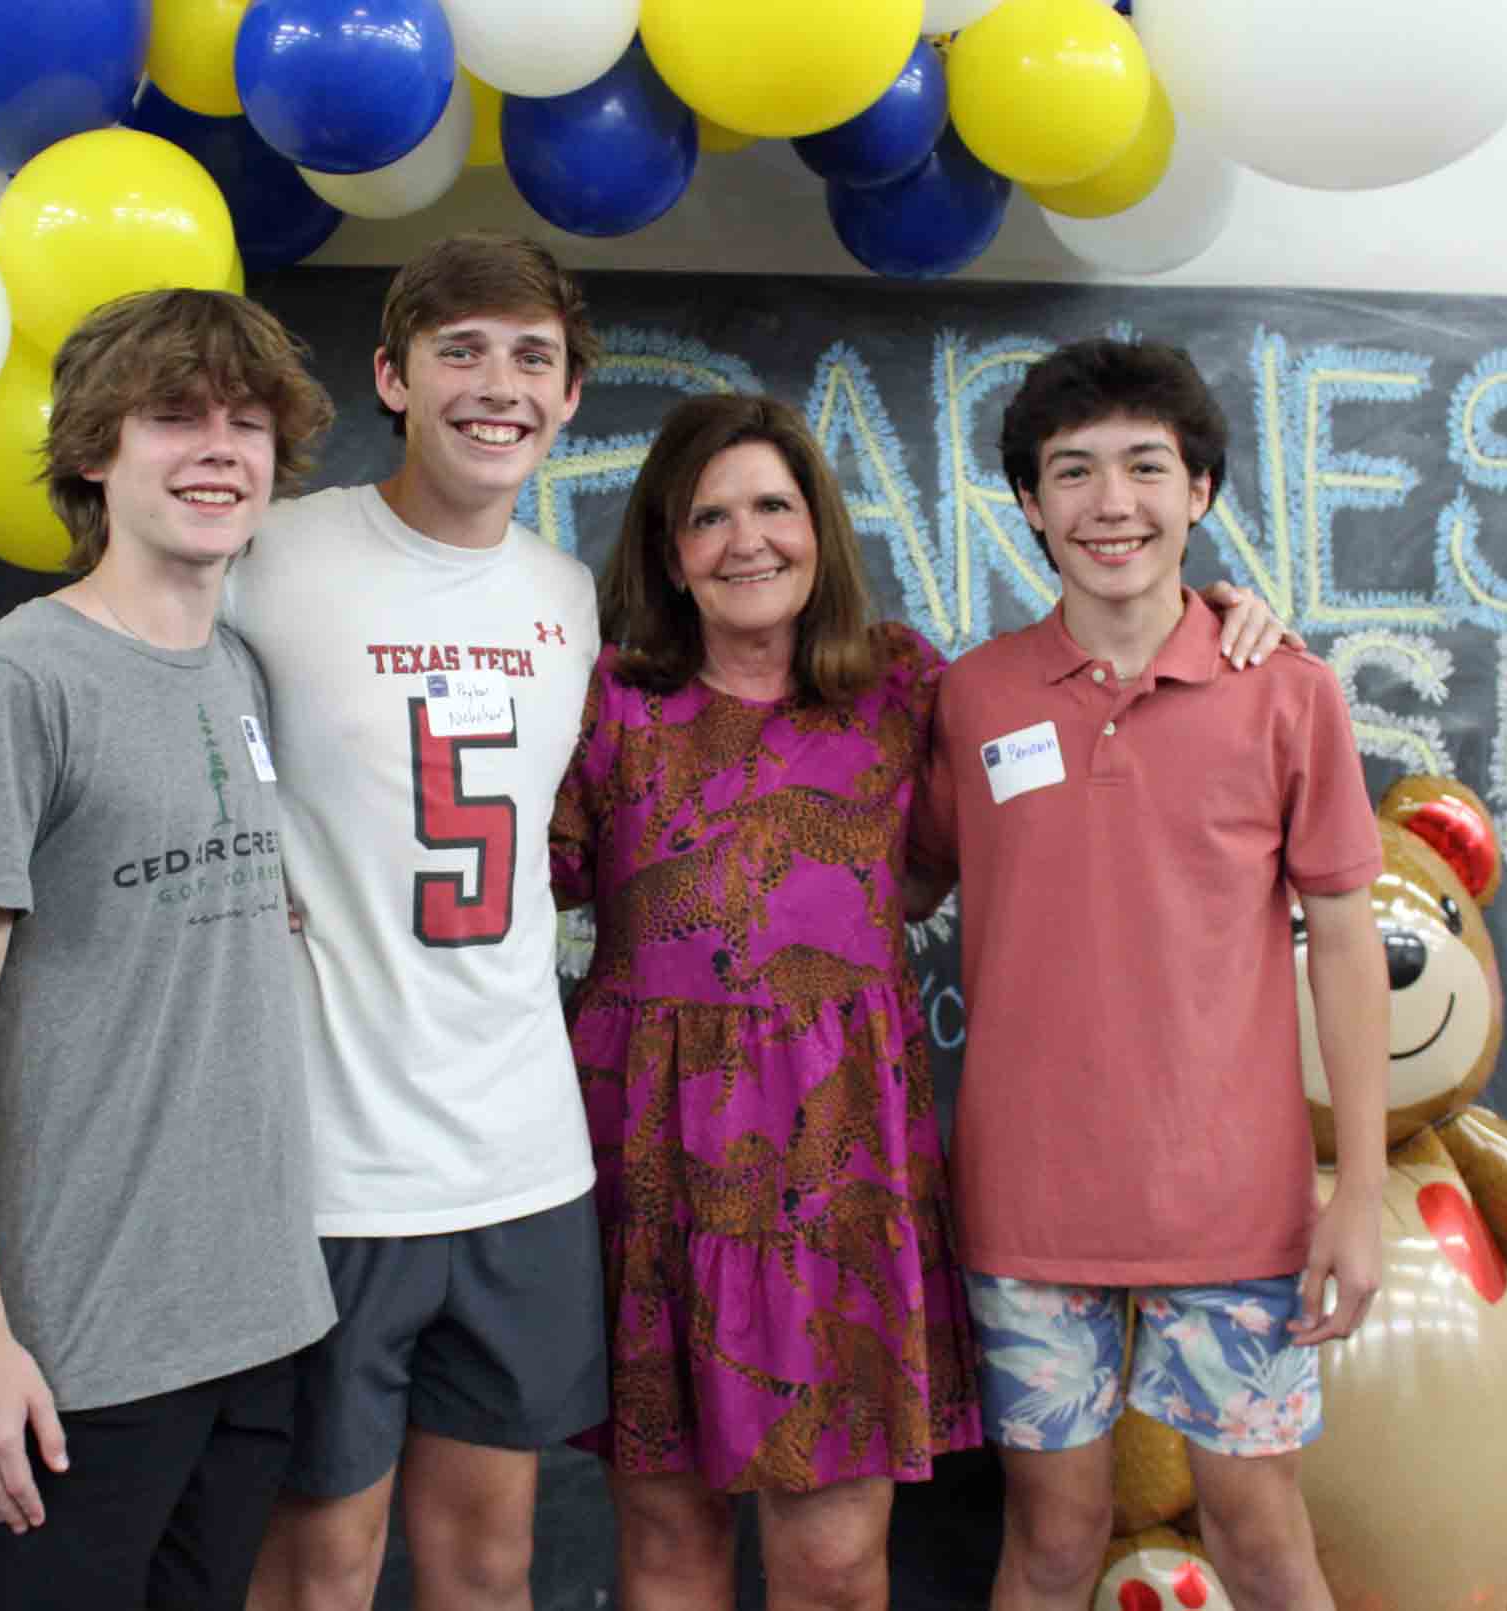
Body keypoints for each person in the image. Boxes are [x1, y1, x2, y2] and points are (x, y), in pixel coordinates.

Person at [0, 234, 611, 1611]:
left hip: (501, 1162)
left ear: (571, 393)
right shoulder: (270, 553)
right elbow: (98, 656)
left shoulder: (564, 596)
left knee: (488, 1562)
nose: (498, 385)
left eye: (532, 356)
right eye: (460, 350)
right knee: (314, 1569)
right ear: (392, 376)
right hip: (318, 1179)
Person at [548, 392, 1295, 1611]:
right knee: (669, 1545)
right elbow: (502, 875)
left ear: (819, 529)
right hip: (654, 1167)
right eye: (708, 517)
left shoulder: (902, 688)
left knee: (836, 1565)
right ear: (668, 553)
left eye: (774, 506)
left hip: (842, 1174)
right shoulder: (608, 703)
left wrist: (1215, 610)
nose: (746, 541)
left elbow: (1073, 696)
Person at [909, 338, 1390, 1611]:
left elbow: (1345, 942)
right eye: (1072, 472)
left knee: (1259, 1534)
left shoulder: (1285, 691)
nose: (1109, 503)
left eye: (1145, 467)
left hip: (1234, 1204)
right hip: (1027, 1204)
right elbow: (903, 882)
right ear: (1027, 502)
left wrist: (1358, 1191)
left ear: (1200, 492)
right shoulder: (973, 697)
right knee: (1052, 1540)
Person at [0, 288, 338, 1610]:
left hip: (257, 1315)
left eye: (246, 423)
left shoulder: (241, 667)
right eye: (174, 417)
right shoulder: (15, 684)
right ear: (94, 449)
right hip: (79, 1347)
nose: (219, 450)